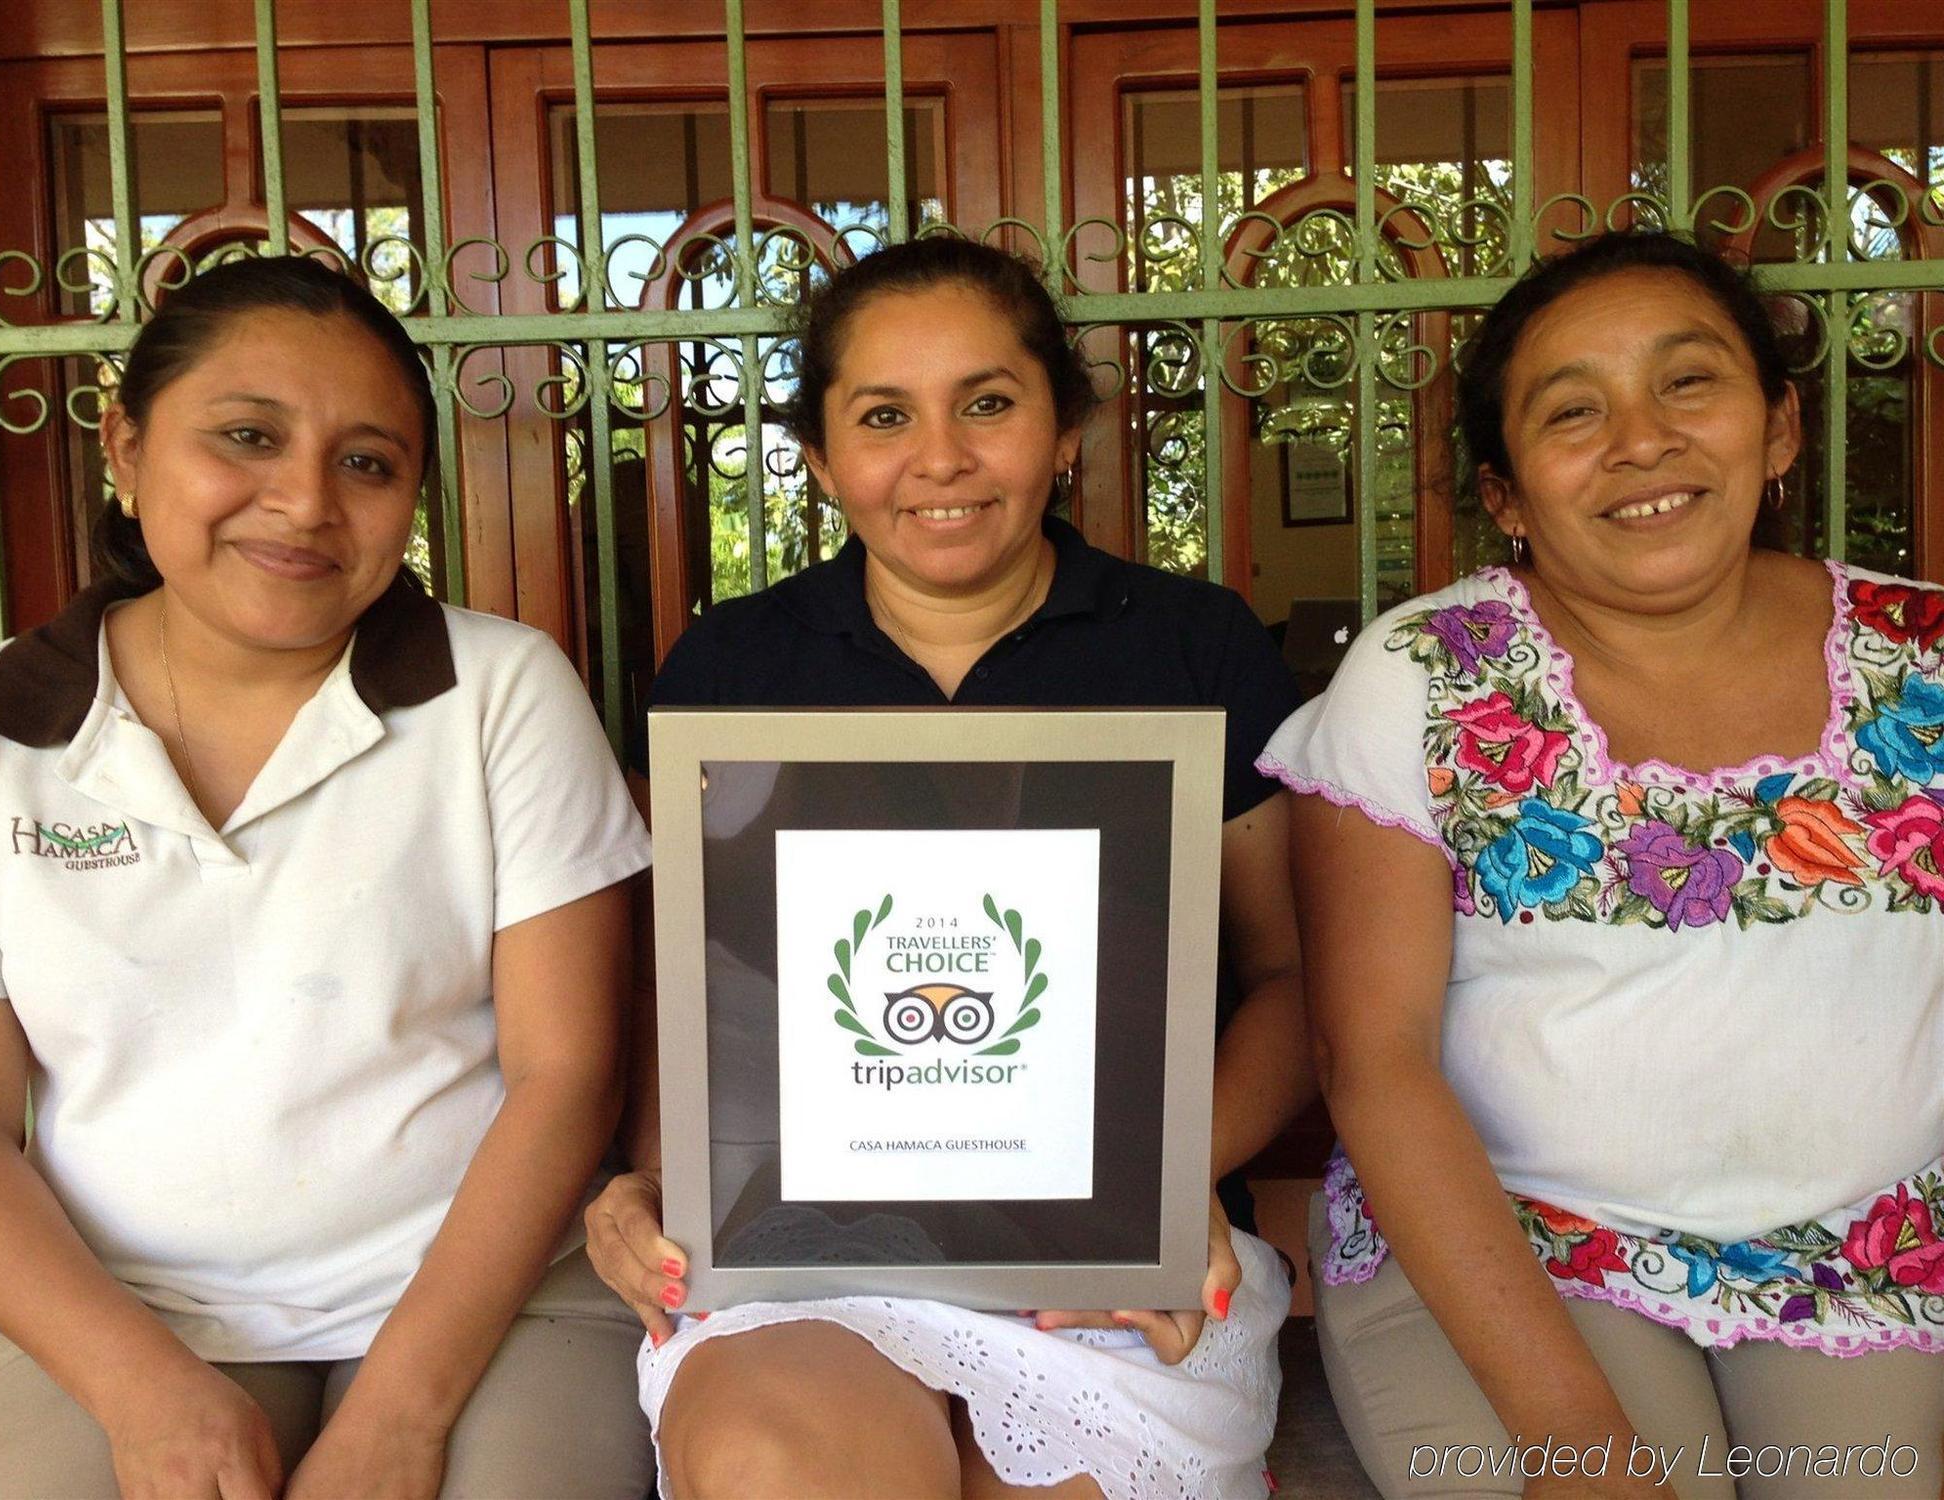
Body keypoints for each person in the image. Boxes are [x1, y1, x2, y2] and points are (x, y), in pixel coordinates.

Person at [583, 236, 1312, 1499]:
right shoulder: (731, 673)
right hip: (808, 1251)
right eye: (882, 416)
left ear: (1065, 430)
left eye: (986, 403)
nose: (940, 459)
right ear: (816, 460)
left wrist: (1158, 1185)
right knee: (776, 1461)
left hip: (1120, 1249)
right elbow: (679, 989)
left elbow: (1291, 975)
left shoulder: (1190, 650)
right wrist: (647, 1190)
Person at [0, 254, 657, 1499]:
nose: (305, 502)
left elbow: (566, 1076)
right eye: (246, 437)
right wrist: (142, 1392)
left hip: (481, 1297)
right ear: (124, 446)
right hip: (122, 1306)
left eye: (366, 463)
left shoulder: (496, 690)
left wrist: (398, 1419)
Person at [1260, 229, 1944, 1500]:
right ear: (1508, 496)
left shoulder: (1927, 656)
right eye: (1572, 410)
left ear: (1778, 426)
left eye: (1687, 382)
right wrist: (1577, 1445)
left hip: (1868, 1248)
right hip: (1512, 1245)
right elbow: (1372, 1057)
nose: (1640, 439)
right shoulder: (1424, 678)